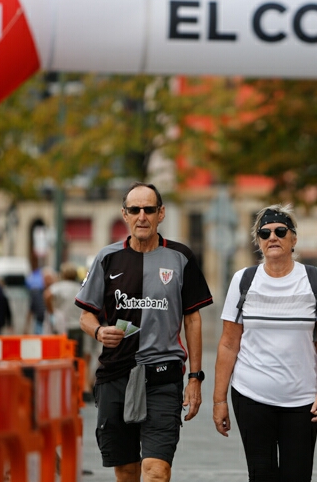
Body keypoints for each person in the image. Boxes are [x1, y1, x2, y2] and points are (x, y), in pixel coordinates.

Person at [75, 182, 213, 482]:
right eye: (134, 210)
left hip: (163, 376)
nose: (142, 216)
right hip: (116, 375)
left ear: (160, 213)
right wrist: (99, 332)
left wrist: (195, 378)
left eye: (149, 209)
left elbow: (193, 320)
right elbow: (85, 315)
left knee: (156, 470)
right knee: (126, 471)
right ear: (124, 214)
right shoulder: (107, 258)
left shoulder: (181, 257)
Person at [212, 204, 317, 482]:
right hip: (251, 395)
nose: (273, 237)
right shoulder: (243, 281)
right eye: (265, 233)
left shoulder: (315, 280)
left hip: (303, 399)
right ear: (258, 241)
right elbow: (228, 343)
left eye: (281, 231)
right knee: (262, 476)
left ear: (293, 238)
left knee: (297, 475)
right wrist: (219, 399)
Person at [45, 262, 88, 392]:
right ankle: (76, 386)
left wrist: (52, 310)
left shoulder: (58, 287)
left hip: (62, 327)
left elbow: (47, 295)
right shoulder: (80, 287)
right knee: (77, 357)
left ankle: (61, 386)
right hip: (78, 327)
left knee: (62, 357)